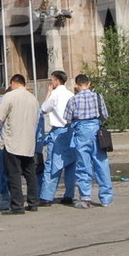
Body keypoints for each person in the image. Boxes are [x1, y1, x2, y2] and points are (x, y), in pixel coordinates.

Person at [0, 74, 40, 215]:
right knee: (30, 173)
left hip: (12, 141)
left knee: (14, 174)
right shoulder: (33, 99)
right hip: (28, 141)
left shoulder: (9, 97)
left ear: (12, 83)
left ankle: (17, 205)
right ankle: (33, 202)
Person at [64, 74, 114, 208]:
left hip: (81, 132)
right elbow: (105, 116)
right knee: (101, 163)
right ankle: (106, 198)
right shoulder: (98, 97)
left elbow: (67, 119)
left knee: (83, 164)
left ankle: (85, 198)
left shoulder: (73, 100)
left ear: (77, 85)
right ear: (89, 83)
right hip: (97, 132)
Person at [38, 69, 76, 205]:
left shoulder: (55, 94)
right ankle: (69, 194)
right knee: (71, 164)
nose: (51, 83)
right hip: (71, 130)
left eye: (52, 80)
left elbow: (43, 108)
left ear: (56, 81)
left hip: (58, 131)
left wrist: (48, 93)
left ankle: (47, 196)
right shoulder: (71, 94)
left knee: (53, 164)